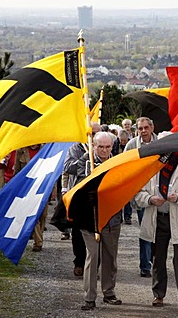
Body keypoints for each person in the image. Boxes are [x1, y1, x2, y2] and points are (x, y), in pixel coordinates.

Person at [132, 131, 178, 311]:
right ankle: (158, 294)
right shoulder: (150, 166)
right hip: (157, 218)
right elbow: (138, 193)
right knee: (158, 258)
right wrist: (150, 199)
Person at [76, 131, 123, 310]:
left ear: (112, 146)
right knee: (92, 256)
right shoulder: (85, 161)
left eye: (107, 147)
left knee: (110, 257)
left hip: (111, 217)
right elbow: (78, 184)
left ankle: (109, 293)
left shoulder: (117, 162)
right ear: (94, 146)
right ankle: (89, 297)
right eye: (100, 147)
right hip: (89, 218)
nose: (104, 150)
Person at [64, 122, 101, 276]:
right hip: (80, 196)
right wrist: (86, 159)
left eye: (97, 133)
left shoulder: (104, 148)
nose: (94, 136)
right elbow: (67, 167)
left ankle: (95, 265)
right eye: (92, 133)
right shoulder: (76, 148)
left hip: (99, 196)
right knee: (78, 232)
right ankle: (79, 261)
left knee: (98, 232)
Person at [125, 117, 158, 278]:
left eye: (146, 128)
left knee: (158, 231)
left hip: (158, 192)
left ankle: (155, 261)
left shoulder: (160, 142)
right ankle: (145, 265)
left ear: (152, 128)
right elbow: (125, 166)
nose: (143, 131)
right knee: (145, 229)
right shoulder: (132, 145)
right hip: (141, 193)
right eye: (140, 128)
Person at [15, 144, 48, 252]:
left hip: (43, 187)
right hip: (28, 188)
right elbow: (17, 171)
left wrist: (53, 190)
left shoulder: (46, 150)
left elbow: (52, 172)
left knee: (43, 215)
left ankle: (39, 236)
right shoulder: (21, 150)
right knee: (34, 215)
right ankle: (38, 242)